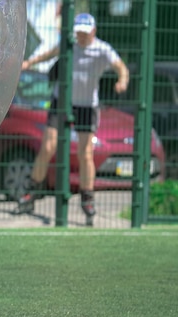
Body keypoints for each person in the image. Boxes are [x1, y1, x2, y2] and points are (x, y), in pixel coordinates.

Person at [15, 13, 129, 223]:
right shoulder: (69, 44)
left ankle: (87, 199)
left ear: (93, 31)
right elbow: (50, 53)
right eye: (78, 32)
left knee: (86, 153)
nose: (81, 37)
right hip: (62, 100)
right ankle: (30, 193)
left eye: (85, 33)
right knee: (48, 147)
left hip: (87, 105)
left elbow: (121, 67)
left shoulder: (102, 50)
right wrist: (29, 63)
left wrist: (122, 80)